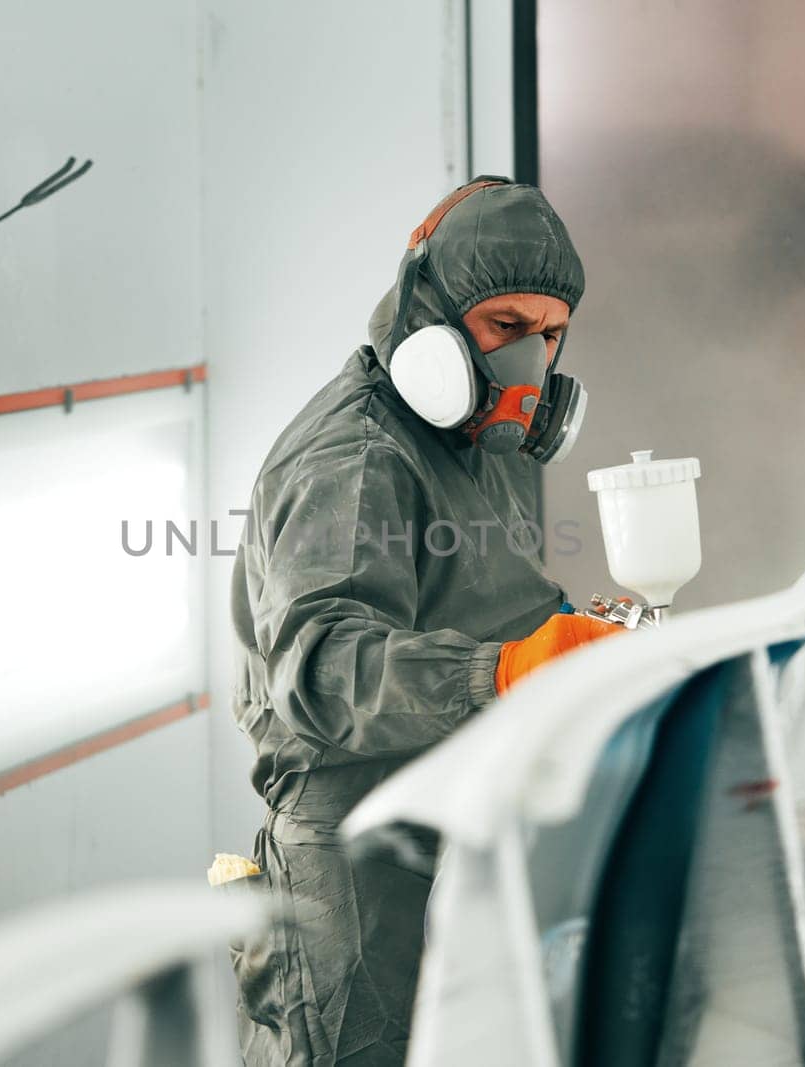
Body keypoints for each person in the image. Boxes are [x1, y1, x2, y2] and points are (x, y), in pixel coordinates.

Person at [229, 177, 621, 1066]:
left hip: (449, 817)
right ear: (429, 319)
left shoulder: (482, 438)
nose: (533, 364)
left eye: (551, 334)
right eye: (507, 329)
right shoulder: (357, 454)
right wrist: (504, 673)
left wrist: (569, 634)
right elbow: (322, 668)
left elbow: (488, 594)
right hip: (354, 871)